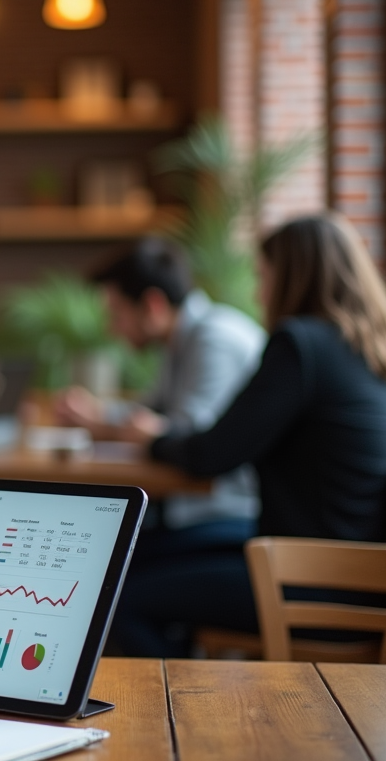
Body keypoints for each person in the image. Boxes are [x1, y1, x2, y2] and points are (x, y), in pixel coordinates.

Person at [112, 213, 386, 657]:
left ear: (294, 276)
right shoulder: (365, 347)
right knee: (136, 559)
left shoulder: (299, 346)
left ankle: (183, 719)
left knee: (121, 600)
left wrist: (151, 440)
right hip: (357, 578)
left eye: (263, 276)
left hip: (311, 582)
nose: (258, 293)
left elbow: (212, 453)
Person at [54, 238, 266, 532]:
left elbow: (187, 438)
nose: (111, 328)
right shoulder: (181, 341)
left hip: (226, 511)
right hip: (192, 507)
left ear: (152, 305)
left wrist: (109, 427)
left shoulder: (215, 338)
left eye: (117, 314)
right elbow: (149, 412)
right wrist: (96, 415)